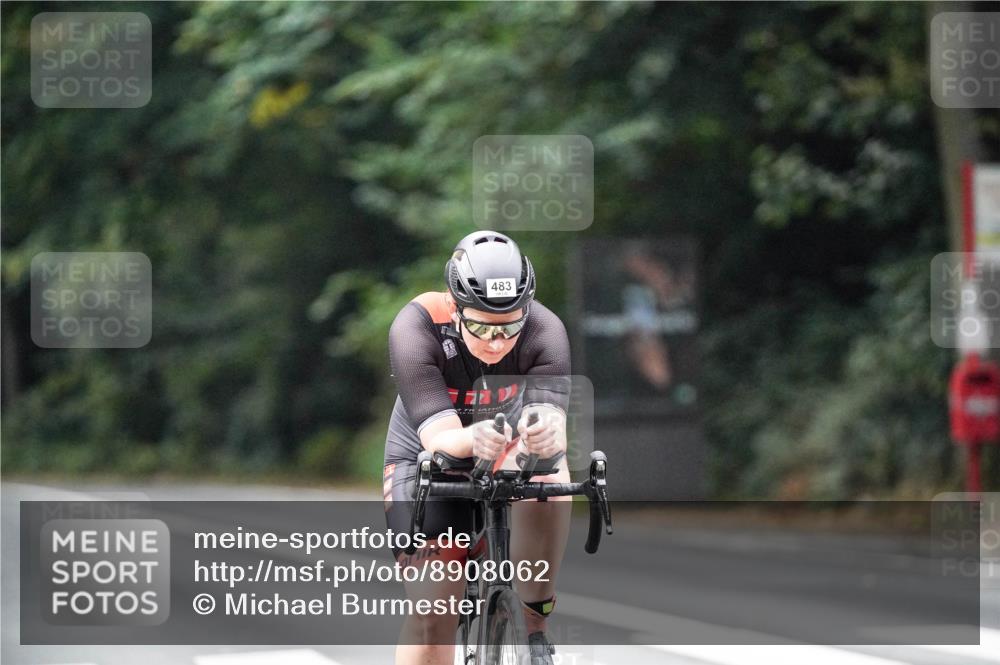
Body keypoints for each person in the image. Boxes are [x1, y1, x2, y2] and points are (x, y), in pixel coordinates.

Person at [383, 230, 572, 665]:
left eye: (509, 327)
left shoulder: (546, 330)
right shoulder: (417, 326)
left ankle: (536, 627)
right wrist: (474, 438)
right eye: (481, 325)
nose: (495, 341)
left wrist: (546, 432)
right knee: (434, 616)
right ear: (454, 307)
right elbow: (442, 441)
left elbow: (553, 423)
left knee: (550, 475)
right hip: (427, 459)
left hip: (507, 448)